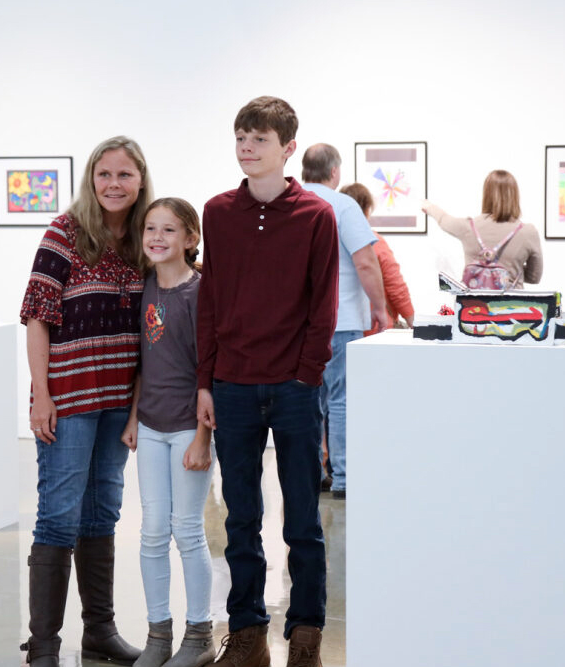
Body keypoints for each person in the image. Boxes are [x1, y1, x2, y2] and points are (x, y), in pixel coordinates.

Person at [196, 96, 337, 666]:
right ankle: (248, 633)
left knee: (303, 518)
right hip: (231, 385)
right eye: (240, 137)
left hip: (293, 389)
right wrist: (206, 380)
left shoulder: (316, 216)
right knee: (241, 518)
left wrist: (305, 377)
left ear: (288, 149)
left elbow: (322, 305)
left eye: (258, 139)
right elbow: (210, 300)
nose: (247, 148)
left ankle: (305, 635)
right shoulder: (217, 212)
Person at [18, 136, 151, 667]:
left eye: (124, 175)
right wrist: (41, 395)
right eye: (104, 174)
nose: (113, 185)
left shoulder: (147, 239)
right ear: (90, 179)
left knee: (102, 514)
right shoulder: (65, 233)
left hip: (119, 401)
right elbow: (36, 316)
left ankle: (99, 632)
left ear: (141, 180)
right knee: (57, 517)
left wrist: (139, 409)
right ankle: (44, 648)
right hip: (68, 400)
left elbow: (154, 333)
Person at [121, 198, 215, 667]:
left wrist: (203, 437)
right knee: (152, 531)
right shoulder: (145, 288)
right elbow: (143, 361)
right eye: (150, 230)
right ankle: (159, 635)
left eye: (169, 230)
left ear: (191, 238)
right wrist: (135, 416)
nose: (157, 238)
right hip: (152, 426)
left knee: (187, 530)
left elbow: (208, 371)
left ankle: (198, 635)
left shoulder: (201, 292)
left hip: (187, 428)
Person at [300, 144, 391, 502]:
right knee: (340, 400)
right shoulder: (342, 205)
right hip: (341, 321)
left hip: (298, 326)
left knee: (307, 403)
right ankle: (343, 477)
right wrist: (380, 307)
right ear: (335, 171)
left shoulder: (290, 204)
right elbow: (366, 262)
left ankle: (312, 473)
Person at [421, 170, 543, 288]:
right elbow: (534, 277)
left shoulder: (468, 227)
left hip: (473, 306)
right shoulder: (528, 232)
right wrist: (512, 269)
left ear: (486, 194)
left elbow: (444, 220)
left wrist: (429, 207)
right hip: (512, 306)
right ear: (515, 196)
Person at [341, 183, 415, 334]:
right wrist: (412, 320)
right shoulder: (374, 242)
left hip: (342, 324)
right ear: (367, 210)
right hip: (377, 327)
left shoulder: (334, 241)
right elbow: (395, 285)